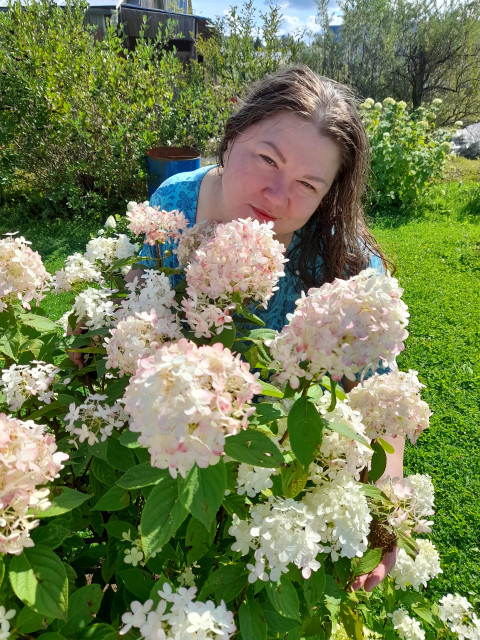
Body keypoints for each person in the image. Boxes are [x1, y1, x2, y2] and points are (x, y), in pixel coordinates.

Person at [76, 65, 403, 589]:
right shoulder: (175, 204)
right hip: (174, 436)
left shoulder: (347, 266)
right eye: (267, 158)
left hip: (271, 470)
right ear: (232, 139)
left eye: (307, 184)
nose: (277, 194)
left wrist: (386, 510)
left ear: (327, 197)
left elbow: (378, 397)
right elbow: (136, 294)